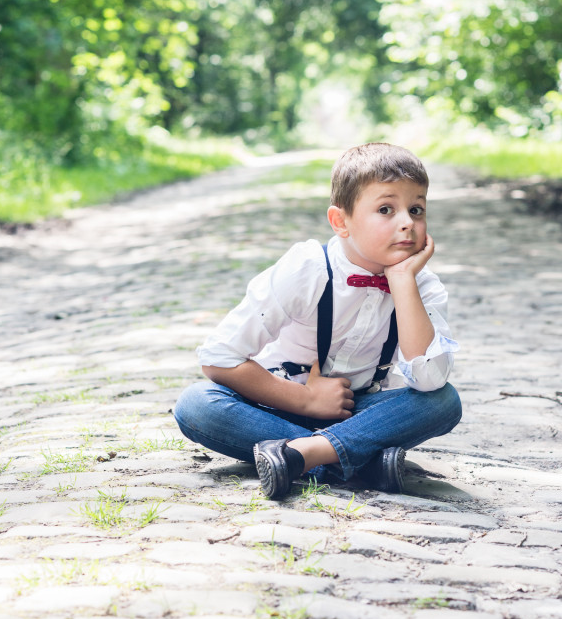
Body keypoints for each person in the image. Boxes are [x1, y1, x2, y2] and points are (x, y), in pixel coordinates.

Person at [174, 142, 462, 500]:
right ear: (341, 222)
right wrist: (305, 401)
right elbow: (218, 358)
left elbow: (430, 378)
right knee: (196, 404)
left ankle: (302, 456)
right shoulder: (308, 268)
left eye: (416, 209)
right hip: (275, 407)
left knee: (443, 402)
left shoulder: (423, 286)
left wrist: (403, 283)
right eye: (386, 209)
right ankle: (362, 463)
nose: (407, 222)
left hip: (360, 413)